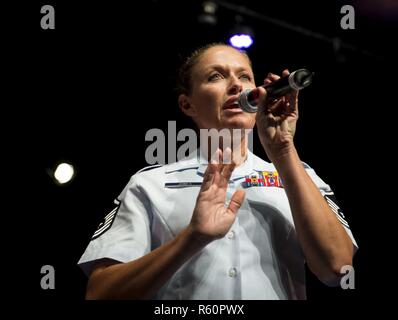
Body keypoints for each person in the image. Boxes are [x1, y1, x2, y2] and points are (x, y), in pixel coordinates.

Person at [78, 43, 358, 300]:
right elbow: (100, 294)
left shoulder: (299, 175)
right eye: (216, 76)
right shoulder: (150, 184)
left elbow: (337, 269)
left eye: (245, 77)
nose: (236, 85)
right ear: (187, 104)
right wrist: (193, 238)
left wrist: (283, 150)